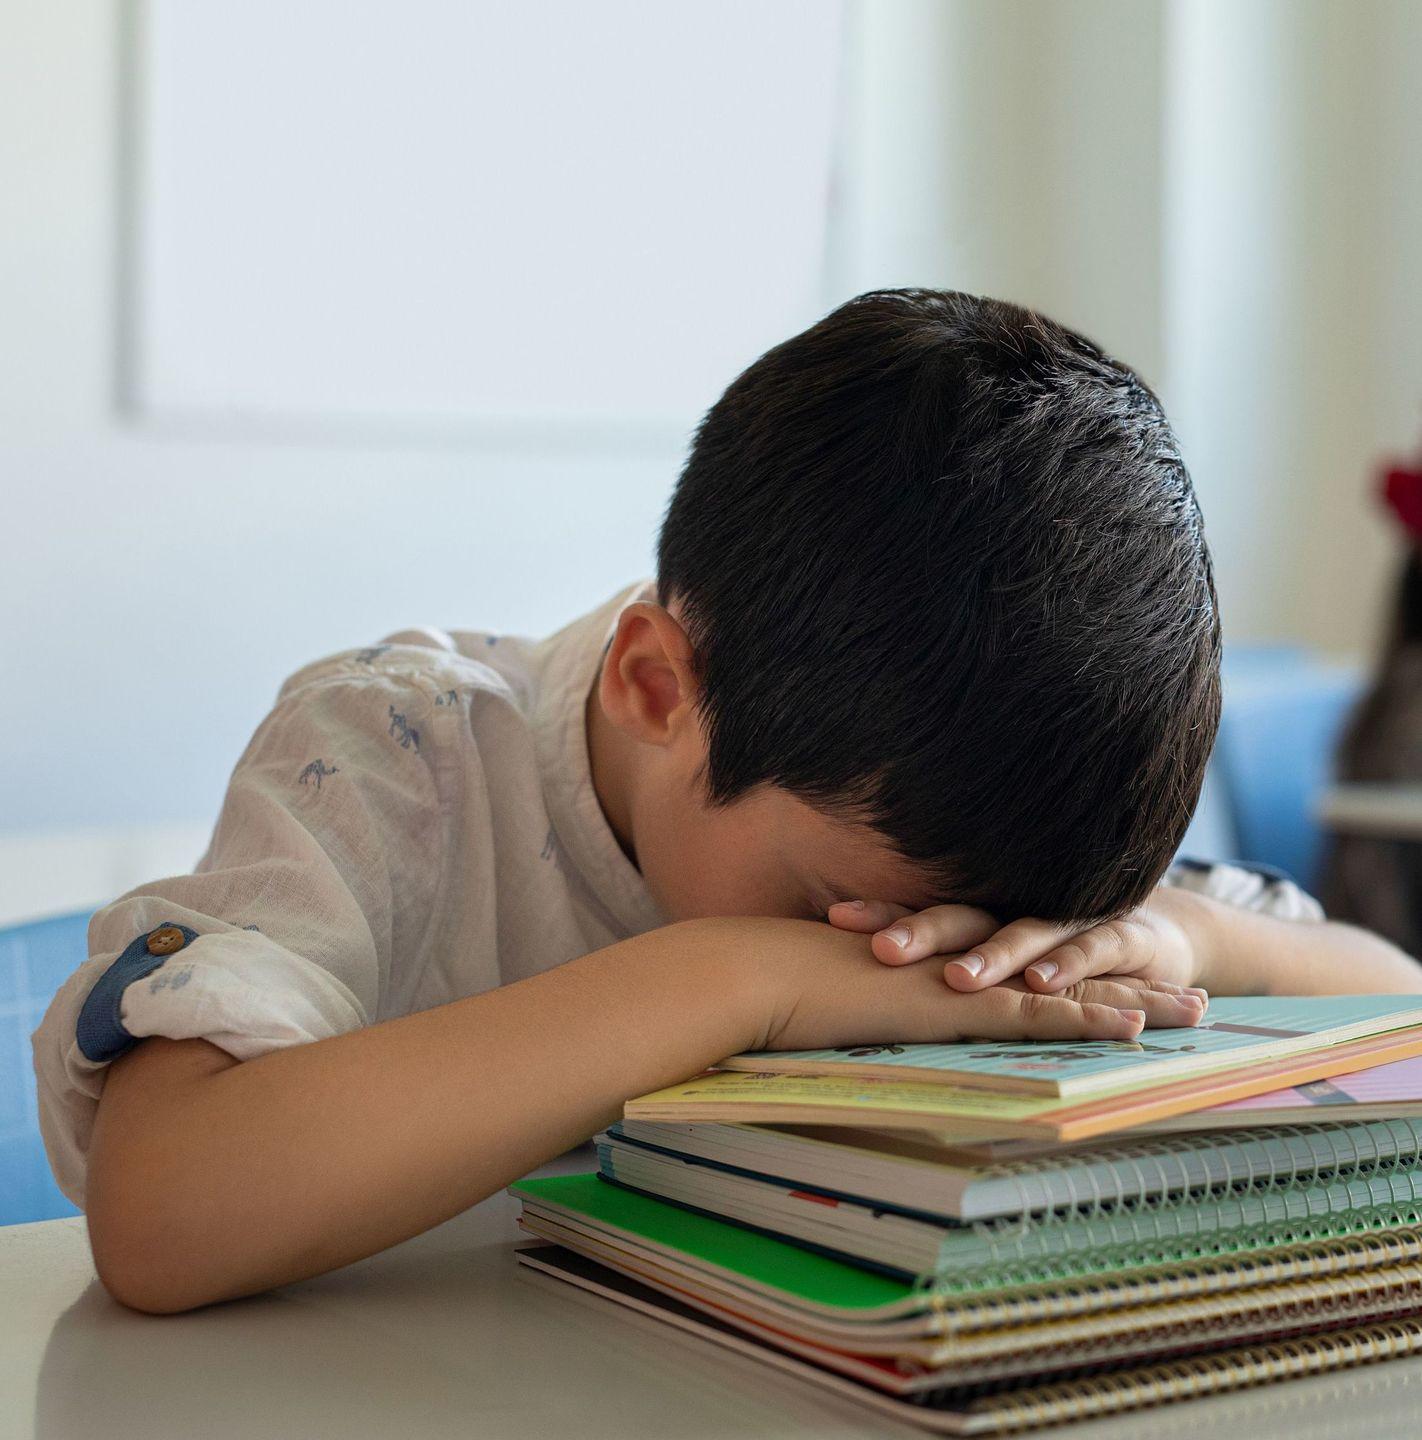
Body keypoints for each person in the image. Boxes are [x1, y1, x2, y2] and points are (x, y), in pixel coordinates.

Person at [31, 289, 1421, 1316]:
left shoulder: (989, 801)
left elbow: (1391, 998)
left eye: (981, 928)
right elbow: (161, 1214)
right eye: (834, 910)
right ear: (654, 683)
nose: (910, 959)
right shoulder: (399, 752)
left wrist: (1183, 934)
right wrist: (729, 978)